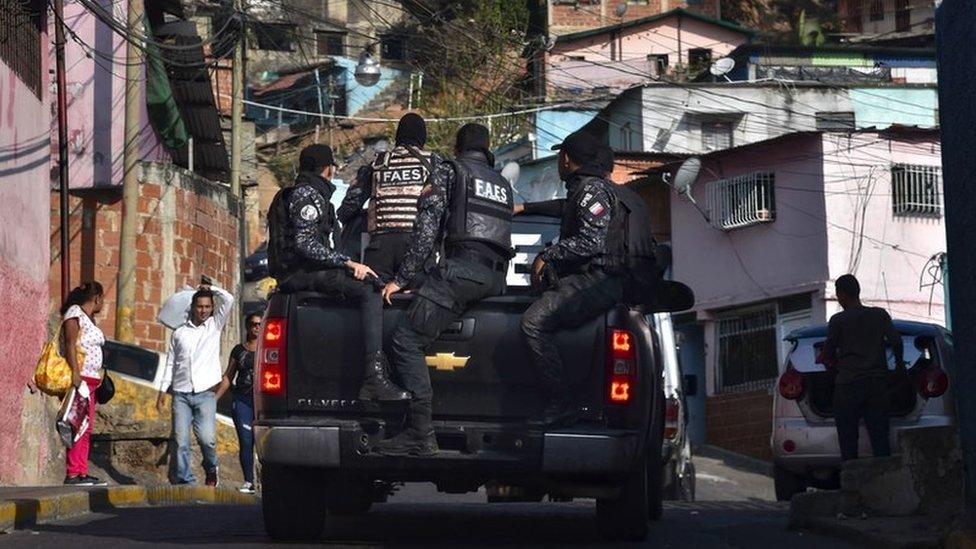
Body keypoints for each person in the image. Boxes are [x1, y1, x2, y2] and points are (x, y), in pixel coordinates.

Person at [377, 123, 514, 456]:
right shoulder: (501, 184)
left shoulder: (449, 171)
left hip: (461, 272)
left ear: (458, 146)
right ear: (487, 149)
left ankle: (419, 433)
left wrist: (402, 278)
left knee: (405, 339)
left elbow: (426, 232)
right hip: (495, 278)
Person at [276, 144, 409, 402]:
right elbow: (305, 244)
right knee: (370, 289)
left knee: (367, 281)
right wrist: (348, 264)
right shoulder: (307, 194)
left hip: (306, 271)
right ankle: (374, 377)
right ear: (327, 169)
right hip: (302, 273)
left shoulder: (310, 193)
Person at [515, 132, 624, 428]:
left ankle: (562, 403)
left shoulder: (591, 192)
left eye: (560, 157)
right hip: (594, 279)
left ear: (566, 159)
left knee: (533, 322)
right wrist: (526, 208)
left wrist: (548, 255)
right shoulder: (587, 190)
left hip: (596, 280)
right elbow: (566, 208)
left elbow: (591, 241)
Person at [338, 113, 436, 282]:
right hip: (418, 246)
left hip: (379, 247)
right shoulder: (433, 163)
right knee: (418, 300)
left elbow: (349, 206)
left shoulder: (377, 164)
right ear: (422, 137)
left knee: (375, 297)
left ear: (398, 136)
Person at [156, 282, 235, 486]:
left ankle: (211, 467)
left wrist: (211, 289)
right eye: (200, 306)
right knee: (181, 441)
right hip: (181, 393)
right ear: (193, 307)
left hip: (205, 393)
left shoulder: (214, 326)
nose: (203, 310)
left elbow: (229, 299)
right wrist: (163, 390)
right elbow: (171, 363)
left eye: (207, 307)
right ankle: (185, 481)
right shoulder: (179, 333)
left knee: (207, 439)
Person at [821, 274, 903, 461]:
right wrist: (899, 367)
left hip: (847, 387)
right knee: (880, 440)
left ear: (841, 295)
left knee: (848, 441)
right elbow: (896, 342)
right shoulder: (880, 315)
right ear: (858, 292)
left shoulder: (838, 321)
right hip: (876, 385)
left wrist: (833, 372)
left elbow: (827, 354)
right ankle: (884, 480)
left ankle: (852, 484)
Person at [57, 282, 108, 486]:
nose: (102, 303)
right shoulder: (74, 312)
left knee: (86, 427)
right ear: (97, 298)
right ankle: (72, 473)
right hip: (82, 379)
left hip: (92, 380)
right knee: (76, 425)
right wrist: (76, 375)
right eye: (102, 299)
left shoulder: (89, 318)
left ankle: (81, 471)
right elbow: (70, 344)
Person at [216, 312, 261, 494]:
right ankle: (248, 481)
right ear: (247, 327)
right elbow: (228, 376)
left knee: (264, 442)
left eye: (259, 324)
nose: (256, 327)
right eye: (253, 324)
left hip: (264, 401)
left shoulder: (270, 349)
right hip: (242, 399)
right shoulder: (238, 350)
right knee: (246, 440)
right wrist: (215, 398)